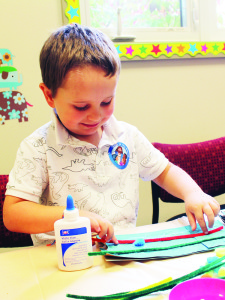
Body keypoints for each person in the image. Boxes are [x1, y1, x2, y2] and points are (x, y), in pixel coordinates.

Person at [3, 23, 220, 246]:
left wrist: (193, 193)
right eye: (81, 107)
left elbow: (164, 171)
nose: (95, 116)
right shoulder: (37, 147)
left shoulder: (127, 136)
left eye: (106, 102)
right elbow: (13, 213)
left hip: (120, 253)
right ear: (49, 95)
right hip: (64, 261)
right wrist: (73, 218)